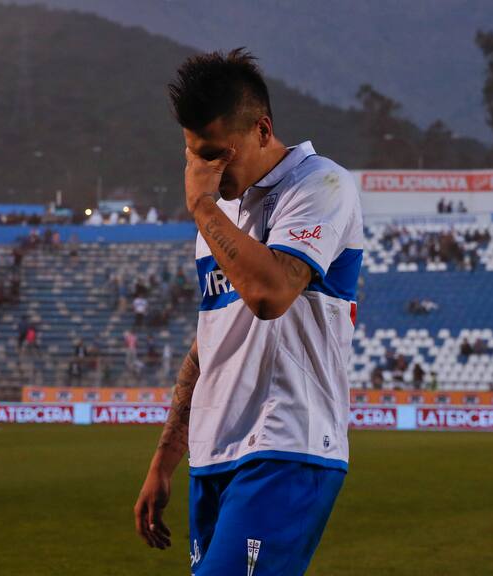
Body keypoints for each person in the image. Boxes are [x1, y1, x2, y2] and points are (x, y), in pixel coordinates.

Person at [134, 49, 364, 575]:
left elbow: (271, 296)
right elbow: (210, 343)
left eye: (217, 155)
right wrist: (165, 459)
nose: (204, 171)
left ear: (262, 130)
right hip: (216, 454)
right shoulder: (222, 209)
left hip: (289, 443)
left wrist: (201, 207)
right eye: (194, 155)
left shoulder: (320, 185)